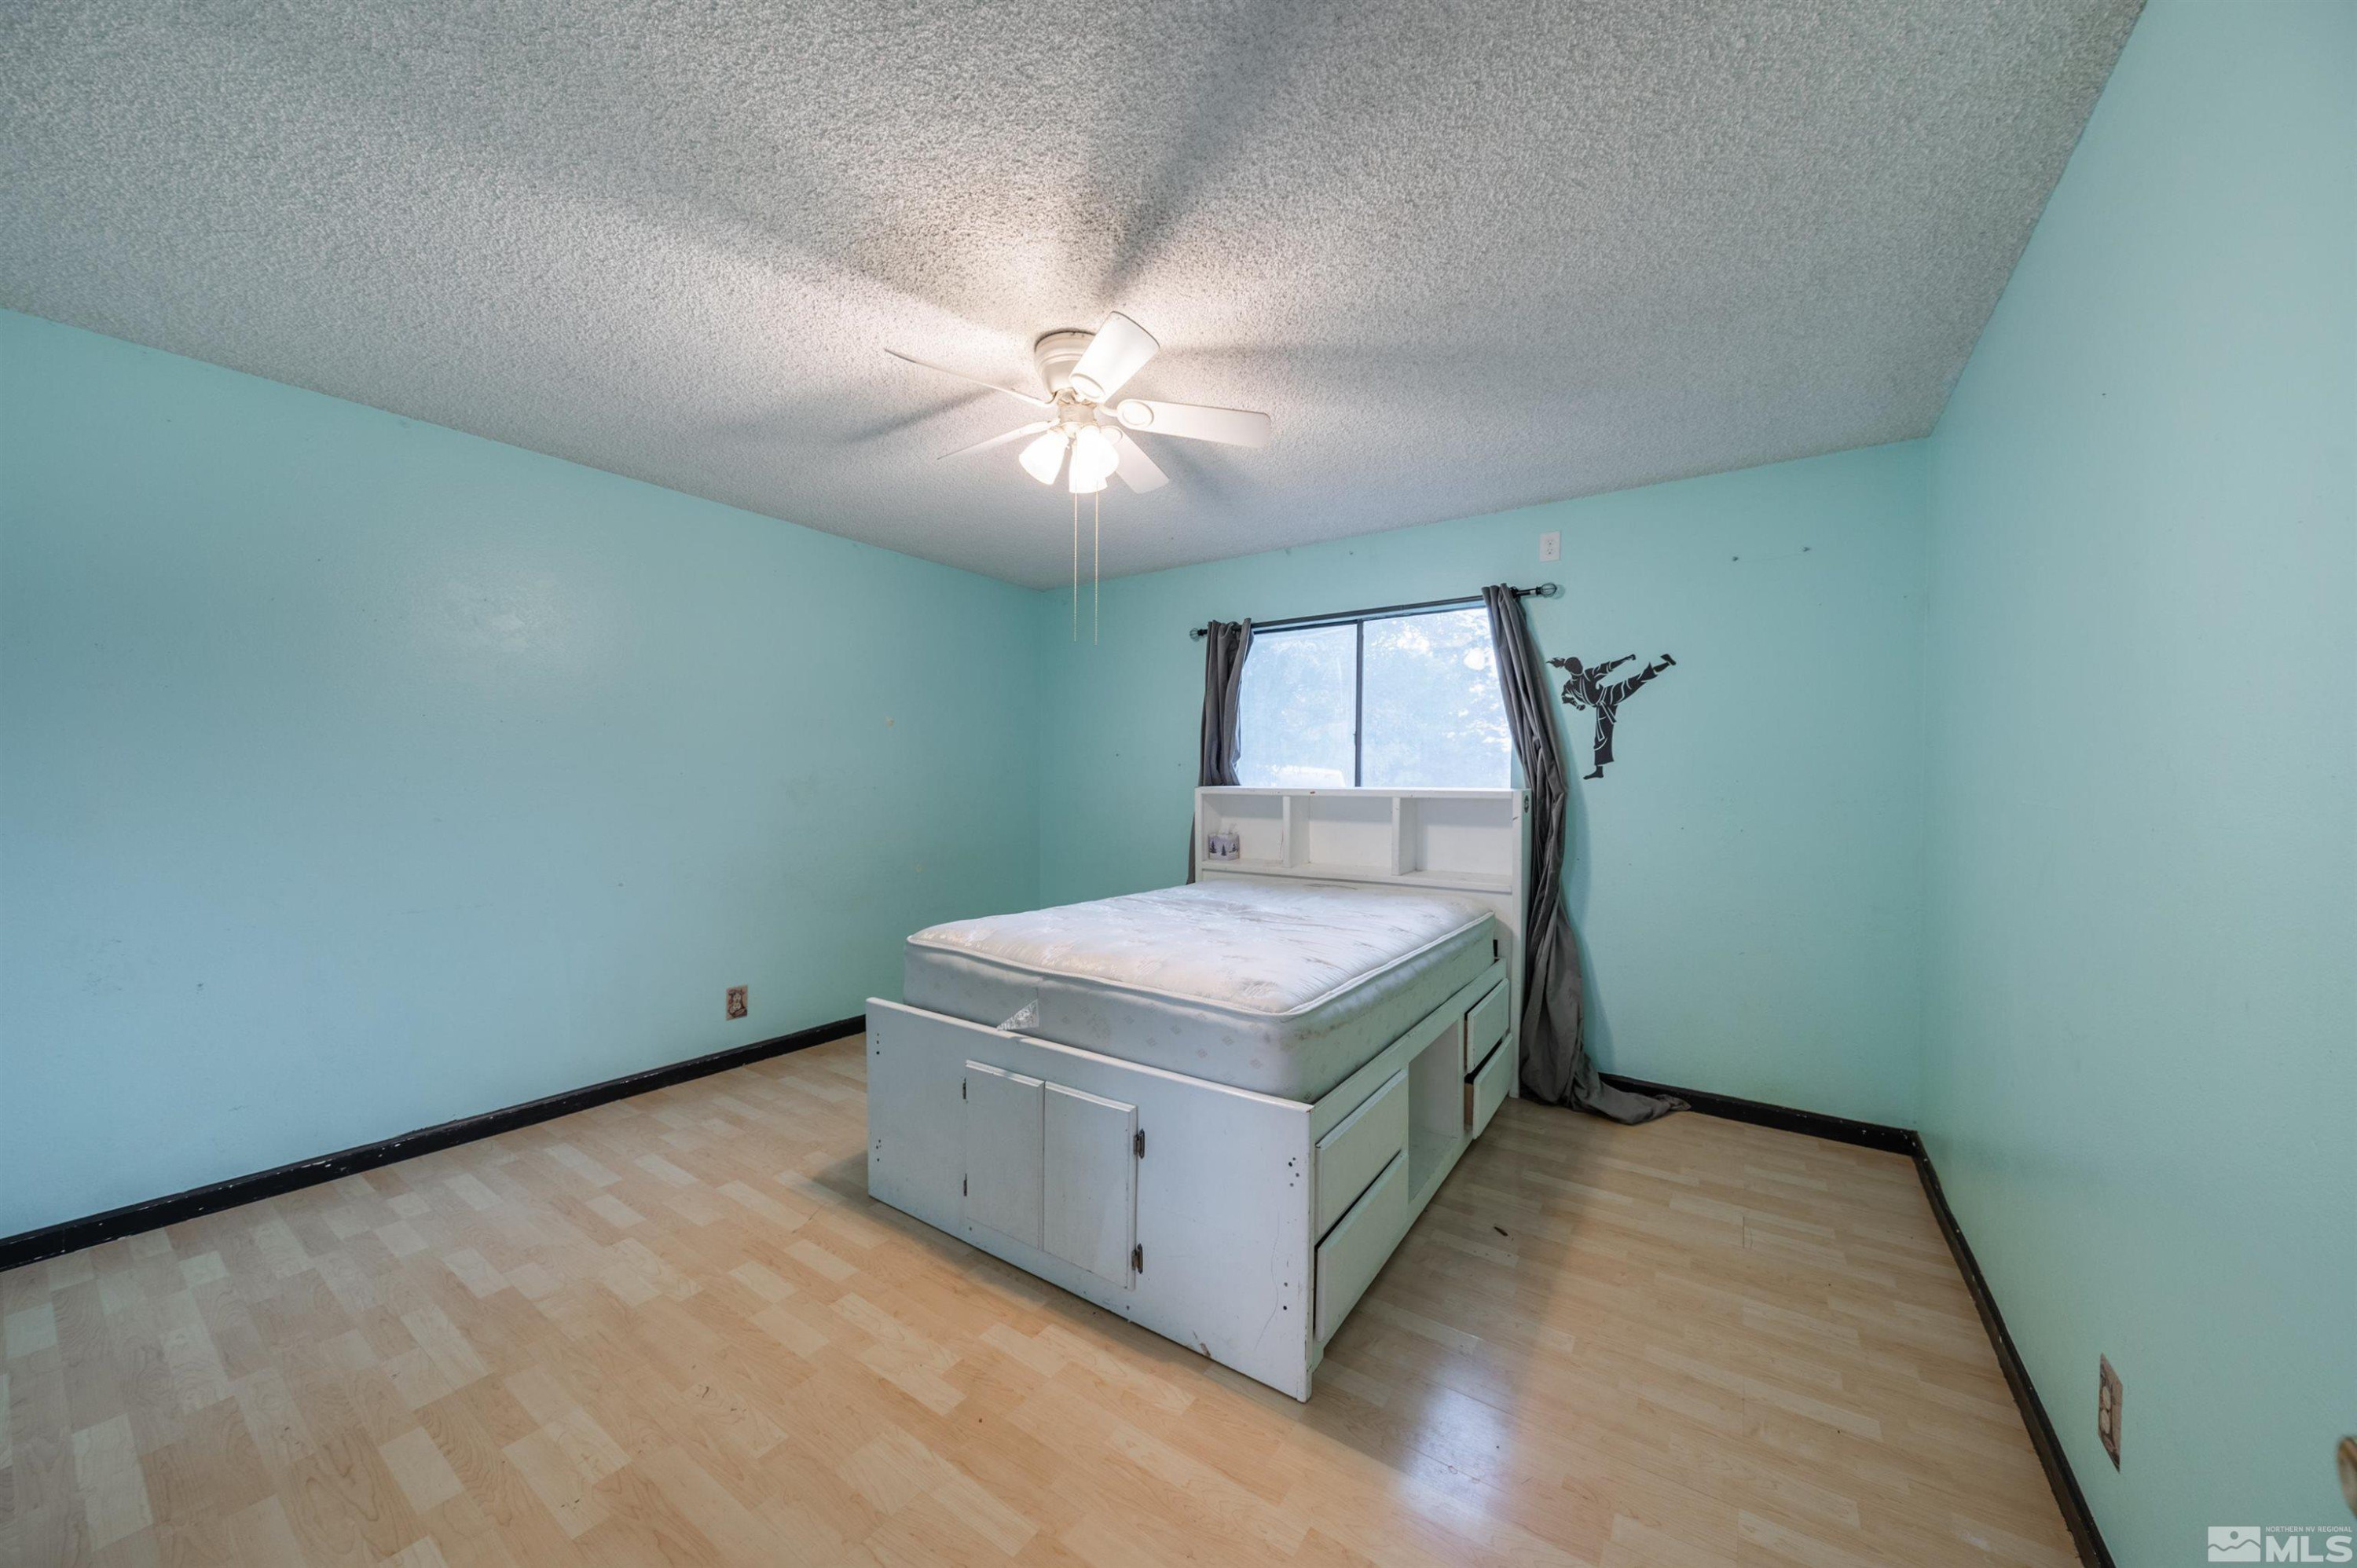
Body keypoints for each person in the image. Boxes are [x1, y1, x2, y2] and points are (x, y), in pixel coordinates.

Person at [1549, 653, 1675, 779]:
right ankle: (1599, 771)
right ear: (1572, 670)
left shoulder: (1588, 675)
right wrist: (1576, 705)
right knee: (1601, 736)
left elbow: (1606, 668)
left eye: (1580, 665)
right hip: (1602, 706)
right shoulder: (1569, 686)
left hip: (1609, 695)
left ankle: (1666, 663)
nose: (1580, 668)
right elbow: (1564, 697)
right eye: (1577, 667)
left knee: (1636, 681)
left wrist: (1625, 659)